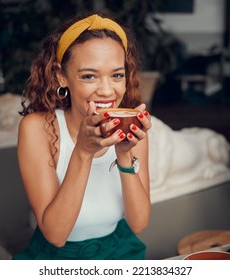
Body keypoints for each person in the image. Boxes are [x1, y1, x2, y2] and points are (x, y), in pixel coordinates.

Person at [13, 13, 152, 260]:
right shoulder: (37, 128)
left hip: (119, 250)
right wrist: (83, 151)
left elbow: (139, 223)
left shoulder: (132, 130)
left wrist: (123, 153)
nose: (107, 90)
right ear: (61, 76)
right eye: (89, 76)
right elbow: (55, 234)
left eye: (117, 75)